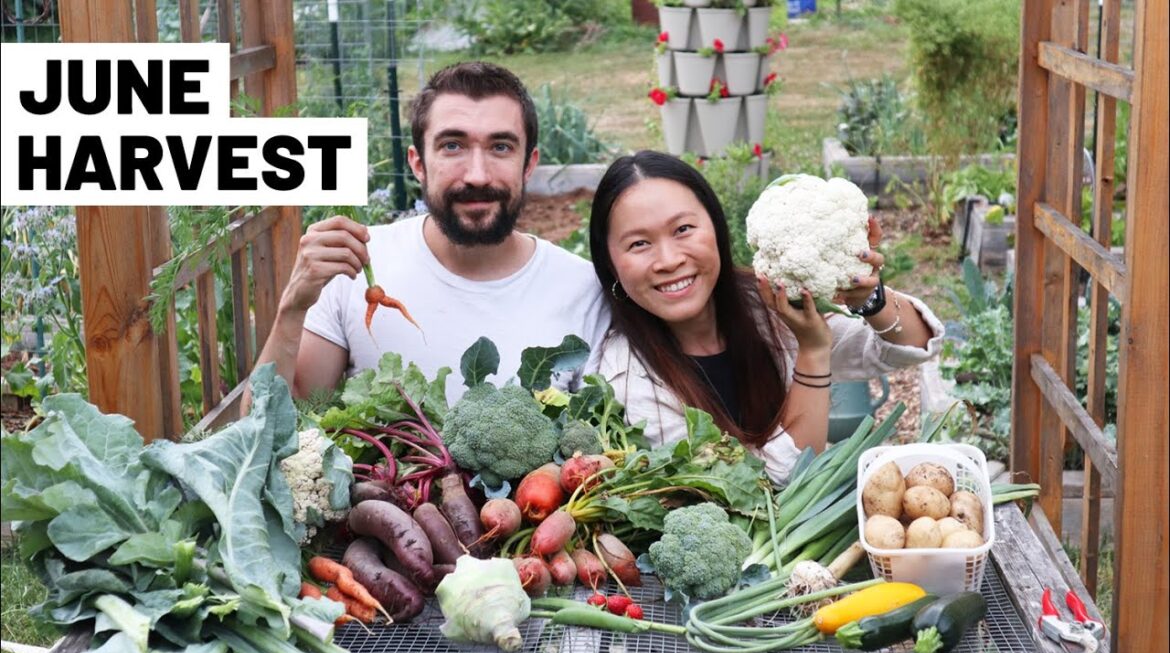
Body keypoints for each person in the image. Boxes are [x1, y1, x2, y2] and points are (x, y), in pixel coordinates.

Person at [251, 62, 609, 405]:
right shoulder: (356, 265)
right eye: (452, 146)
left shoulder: (582, 289)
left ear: (528, 165)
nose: (477, 175)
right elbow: (270, 427)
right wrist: (293, 307)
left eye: (501, 147)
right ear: (418, 163)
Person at [588, 151, 944, 484]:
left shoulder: (762, 306)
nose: (668, 259)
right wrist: (813, 353)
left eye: (683, 230)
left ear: (716, 228)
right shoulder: (628, 377)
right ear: (610, 264)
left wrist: (870, 297)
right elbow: (764, 489)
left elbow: (911, 346)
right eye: (639, 244)